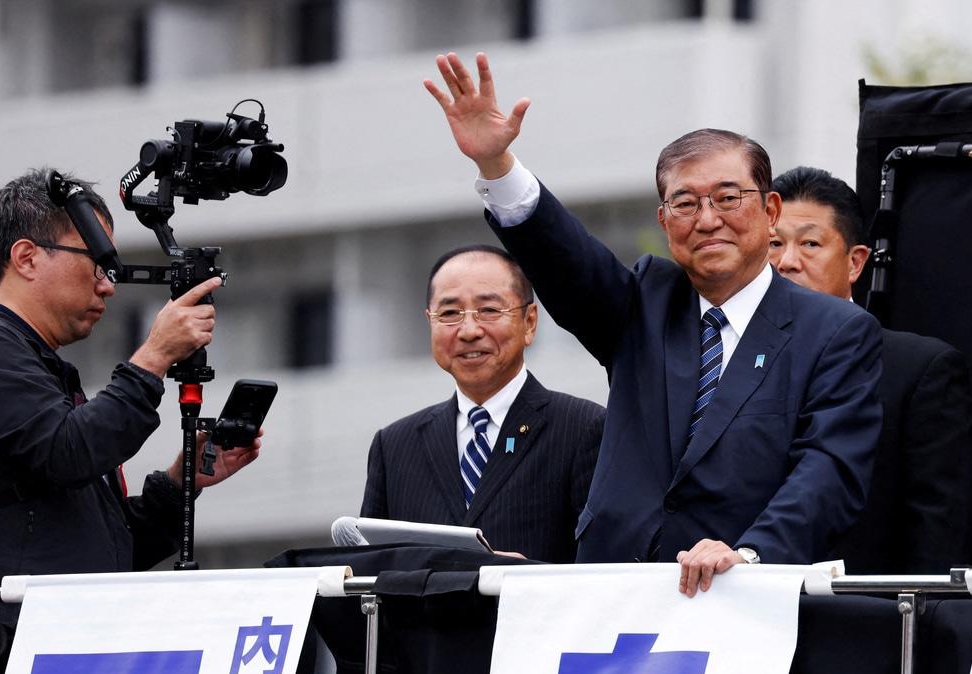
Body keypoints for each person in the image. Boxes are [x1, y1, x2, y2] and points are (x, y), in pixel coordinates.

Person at [424, 52, 882, 595]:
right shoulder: (646, 301)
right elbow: (568, 262)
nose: (708, 219)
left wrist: (751, 554)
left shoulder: (833, 331)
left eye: (728, 198)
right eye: (685, 203)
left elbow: (828, 469)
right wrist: (498, 166)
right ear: (664, 221)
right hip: (615, 593)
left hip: (745, 601)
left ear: (771, 210)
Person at [0, 168, 262, 623]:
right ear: (26, 258)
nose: (108, 283)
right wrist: (154, 356)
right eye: (96, 261)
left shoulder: (39, 365)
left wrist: (179, 484)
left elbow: (105, 550)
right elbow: (68, 451)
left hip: (53, 649)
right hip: (4, 658)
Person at [769, 166, 972, 574]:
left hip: (864, 619)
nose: (786, 262)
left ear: (855, 262)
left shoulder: (920, 370)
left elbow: (937, 543)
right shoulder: (725, 363)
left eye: (810, 243)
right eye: (773, 244)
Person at [360, 245, 605, 563]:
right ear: (429, 322)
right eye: (449, 314)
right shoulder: (393, 446)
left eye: (489, 310)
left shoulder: (584, 428)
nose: (470, 331)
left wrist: (523, 576)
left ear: (529, 322)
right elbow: (369, 569)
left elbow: (604, 566)